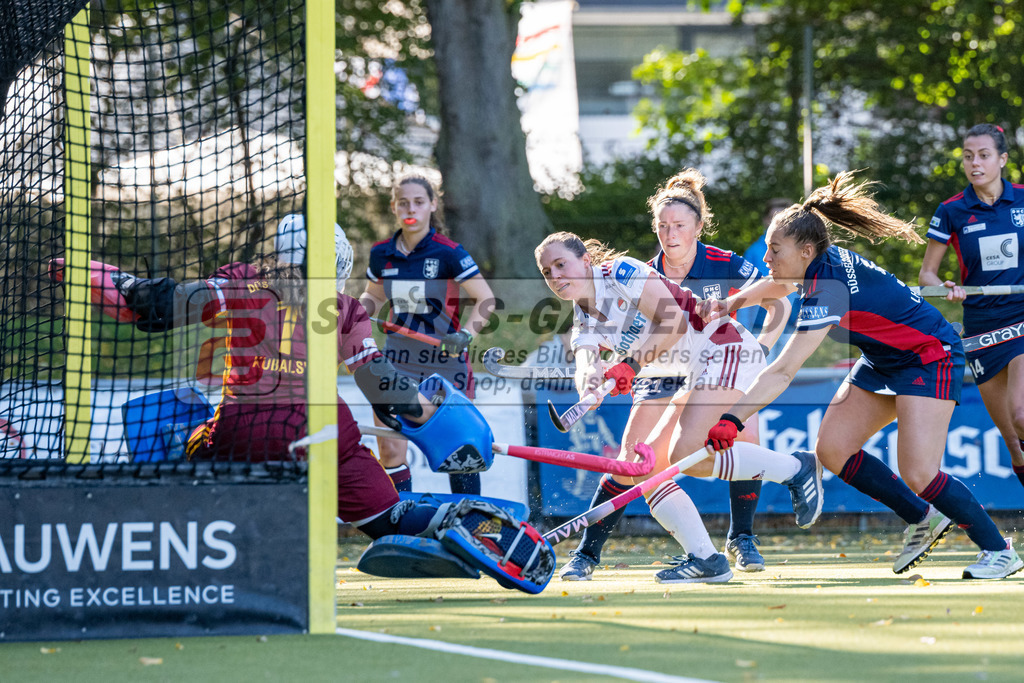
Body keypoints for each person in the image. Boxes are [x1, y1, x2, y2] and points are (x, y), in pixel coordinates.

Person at [59, 215, 553, 592]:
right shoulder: (344, 306)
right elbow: (378, 381)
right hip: (325, 429)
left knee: (186, 455)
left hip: (244, 425)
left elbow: (155, 307)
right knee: (388, 519)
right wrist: (429, 414)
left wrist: (107, 278)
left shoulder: (240, 280)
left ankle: (167, 547)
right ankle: (475, 526)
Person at [702, 171, 1023, 580]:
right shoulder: (812, 265)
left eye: (773, 250)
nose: (767, 258)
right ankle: (922, 519)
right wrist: (731, 304)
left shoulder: (827, 287)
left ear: (804, 250)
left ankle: (999, 551)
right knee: (833, 449)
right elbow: (775, 284)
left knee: (920, 472)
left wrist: (733, 418)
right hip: (883, 358)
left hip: (929, 355)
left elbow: (783, 370)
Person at [535, 230, 823, 584]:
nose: (557, 276)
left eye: (561, 264)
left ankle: (797, 467)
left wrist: (631, 365)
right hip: (696, 370)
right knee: (644, 466)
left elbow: (672, 323)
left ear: (586, 260)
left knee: (687, 451)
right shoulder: (583, 322)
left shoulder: (622, 272)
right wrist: (590, 387)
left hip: (724, 347)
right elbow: (586, 363)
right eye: (548, 272)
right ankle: (706, 559)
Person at [360, 173, 494, 496]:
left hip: (445, 366)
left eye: (419, 202)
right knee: (391, 452)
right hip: (395, 363)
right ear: (393, 207)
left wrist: (465, 335)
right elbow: (373, 297)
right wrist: (354, 317)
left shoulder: (449, 253)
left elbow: (485, 300)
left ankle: (469, 528)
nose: (411, 209)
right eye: (403, 202)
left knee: (459, 453)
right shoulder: (381, 254)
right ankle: (400, 523)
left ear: (432, 205)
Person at [919, 123, 1024, 494]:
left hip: (1022, 320)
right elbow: (928, 274)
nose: (974, 163)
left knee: (1022, 415)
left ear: (1003, 159)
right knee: (1014, 441)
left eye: (983, 155)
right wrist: (945, 288)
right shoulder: (952, 211)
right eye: (968, 156)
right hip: (981, 328)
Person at [737, 197, 800, 359]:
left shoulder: (799, 251)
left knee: (788, 378)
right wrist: (744, 331)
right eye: (774, 218)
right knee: (761, 375)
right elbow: (744, 293)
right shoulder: (754, 252)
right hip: (760, 330)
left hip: (791, 330)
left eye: (784, 219)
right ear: (766, 220)